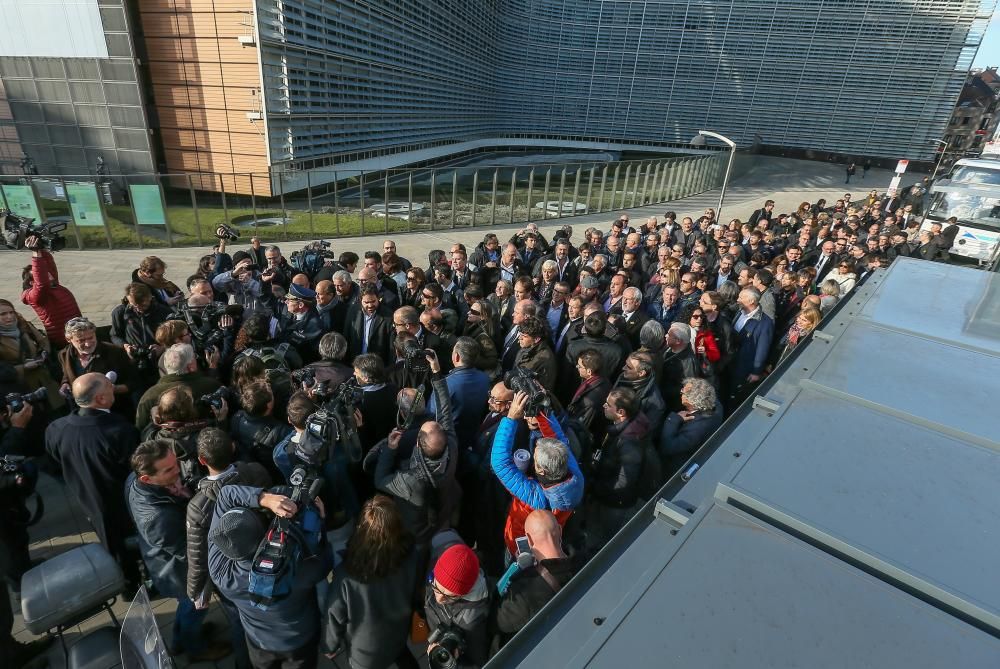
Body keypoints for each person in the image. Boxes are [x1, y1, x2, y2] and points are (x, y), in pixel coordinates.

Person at [127, 439, 231, 661]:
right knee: (195, 606)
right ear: (147, 478)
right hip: (179, 571)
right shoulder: (157, 517)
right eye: (169, 470)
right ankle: (196, 650)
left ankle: (179, 641)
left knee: (187, 607)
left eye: (176, 463)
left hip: (168, 560)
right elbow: (189, 552)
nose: (179, 470)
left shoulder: (136, 480)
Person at [208, 484, 327, 669]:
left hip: (259, 642)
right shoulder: (298, 569)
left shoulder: (219, 571)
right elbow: (323, 562)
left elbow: (224, 495)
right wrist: (320, 520)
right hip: (299, 640)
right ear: (265, 534)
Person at [186, 429, 270, 668]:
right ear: (232, 447)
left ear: (202, 460)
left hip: (231, 572)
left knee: (239, 623)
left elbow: (197, 554)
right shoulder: (255, 471)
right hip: (263, 553)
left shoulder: (197, 505)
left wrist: (195, 591)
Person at [44, 373, 140, 582]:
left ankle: (125, 581)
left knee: (111, 546)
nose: (113, 387)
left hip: (87, 500)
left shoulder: (55, 429)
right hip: (122, 503)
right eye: (108, 386)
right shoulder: (118, 430)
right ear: (100, 399)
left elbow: (53, 463)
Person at [322, 495, 420, 669]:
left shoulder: (347, 574)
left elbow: (334, 614)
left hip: (365, 651)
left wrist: (330, 646)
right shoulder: (411, 554)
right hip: (398, 631)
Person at [375, 350, 461, 547]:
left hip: (415, 530)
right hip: (444, 514)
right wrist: (436, 373)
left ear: (417, 445)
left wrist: (389, 449)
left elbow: (380, 480)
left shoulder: (410, 479)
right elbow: (445, 409)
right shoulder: (451, 445)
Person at [491, 390, 584, 565]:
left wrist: (510, 419)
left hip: (520, 548)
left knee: (512, 566)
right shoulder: (576, 479)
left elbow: (500, 463)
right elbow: (559, 439)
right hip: (551, 534)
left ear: (540, 470)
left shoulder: (537, 497)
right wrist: (541, 411)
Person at [586, 387, 659, 551]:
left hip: (615, 502)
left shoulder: (629, 442)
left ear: (620, 412)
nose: (604, 406)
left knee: (606, 535)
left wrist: (596, 487)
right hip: (608, 492)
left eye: (608, 404)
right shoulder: (628, 427)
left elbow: (623, 481)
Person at [493, 510, 577, 650]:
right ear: (560, 530)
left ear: (529, 540)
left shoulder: (525, 593)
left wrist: (516, 569)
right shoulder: (586, 559)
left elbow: (497, 622)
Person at [423, 535, 491, 668]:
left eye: (450, 596)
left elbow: (479, 664)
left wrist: (454, 664)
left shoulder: (473, 621)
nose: (439, 599)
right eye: (435, 587)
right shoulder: (438, 552)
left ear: (465, 593)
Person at [58, 316, 135, 415]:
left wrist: (111, 389)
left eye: (91, 337)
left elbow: (134, 383)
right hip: (83, 413)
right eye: (81, 340)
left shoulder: (114, 352)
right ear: (69, 339)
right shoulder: (64, 355)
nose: (88, 344)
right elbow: (66, 375)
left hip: (114, 411)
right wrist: (65, 384)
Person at [135, 343, 222, 431]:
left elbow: (141, 430)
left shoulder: (149, 396)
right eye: (194, 357)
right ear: (190, 366)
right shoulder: (213, 386)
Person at [428, 337, 490, 451]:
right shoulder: (485, 378)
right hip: (472, 438)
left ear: (456, 356)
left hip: (449, 442)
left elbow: (432, 414)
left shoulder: (446, 384)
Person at [19, 235, 80, 348]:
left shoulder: (53, 285)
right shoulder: (35, 296)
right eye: (41, 274)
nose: (48, 273)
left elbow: (49, 265)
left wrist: (41, 248)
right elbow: (42, 283)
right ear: (32, 283)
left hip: (79, 334)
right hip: (64, 342)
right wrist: (36, 253)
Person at [0, 298, 59, 407]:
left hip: (45, 380)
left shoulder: (24, 325)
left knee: (57, 411)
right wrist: (24, 367)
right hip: (21, 388)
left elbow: (42, 341)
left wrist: (43, 353)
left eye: (11, 312)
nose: (9, 316)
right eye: (3, 314)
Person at [659, 377, 724, 476]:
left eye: (682, 392)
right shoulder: (716, 405)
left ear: (691, 402)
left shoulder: (697, 428)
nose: (680, 392)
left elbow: (668, 447)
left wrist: (673, 419)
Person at [513, 316, 557, 390]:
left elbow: (541, 391)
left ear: (537, 339)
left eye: (524, 336)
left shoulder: (545, 361)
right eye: (520, 334)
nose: (520, 338)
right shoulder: (527, 346)